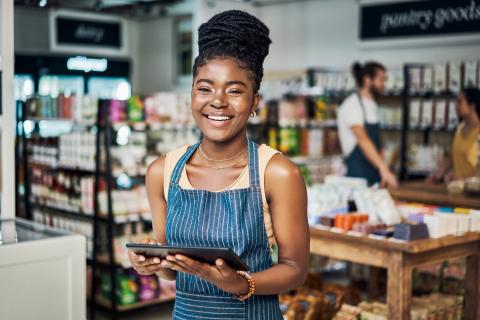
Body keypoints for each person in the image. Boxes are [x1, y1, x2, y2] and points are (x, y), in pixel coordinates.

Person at [128, 10, 309, 319]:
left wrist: (240, 283)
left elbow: (295, 270)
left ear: (254, 102)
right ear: (192, 94)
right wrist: (151, 264)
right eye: (205, 88)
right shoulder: (162, 172)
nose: (218, 101)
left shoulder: (277, 173)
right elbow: (173, 272)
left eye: (235, 90)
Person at [337, 61, 398, 188]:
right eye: (381, 80)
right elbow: (363, 139)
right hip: (357, 177)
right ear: (367, 80)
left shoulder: (372, 105)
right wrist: (383, 169)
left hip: (374, 174)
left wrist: (384, 167)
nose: (384, 85)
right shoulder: (352, 105)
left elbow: (377, 142)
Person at [428, 88, 480, 183]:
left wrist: (464, 180)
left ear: (472, 106)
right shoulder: (460, 129)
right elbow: (453, 157)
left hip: (474, 193)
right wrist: (438, 174)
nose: (456, 106)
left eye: (460, 102)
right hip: (457, 189)